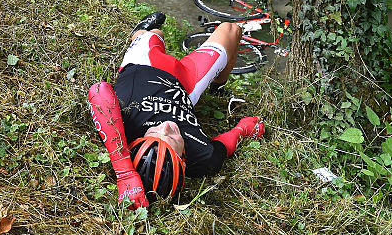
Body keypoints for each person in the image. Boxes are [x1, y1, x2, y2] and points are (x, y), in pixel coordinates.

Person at [87, 12, 265, 208]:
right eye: (172, 138)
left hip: (145, 62)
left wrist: (124, 171)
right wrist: (243, 130)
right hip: (186, 84)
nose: (165, 127)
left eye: (153, 133)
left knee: (156, 34)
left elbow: (98, 90)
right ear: (184, 160)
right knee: (231, 30)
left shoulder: (124, 127)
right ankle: (218, 87)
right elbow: (225, 144)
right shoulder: (202, 156)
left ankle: (140, 32)